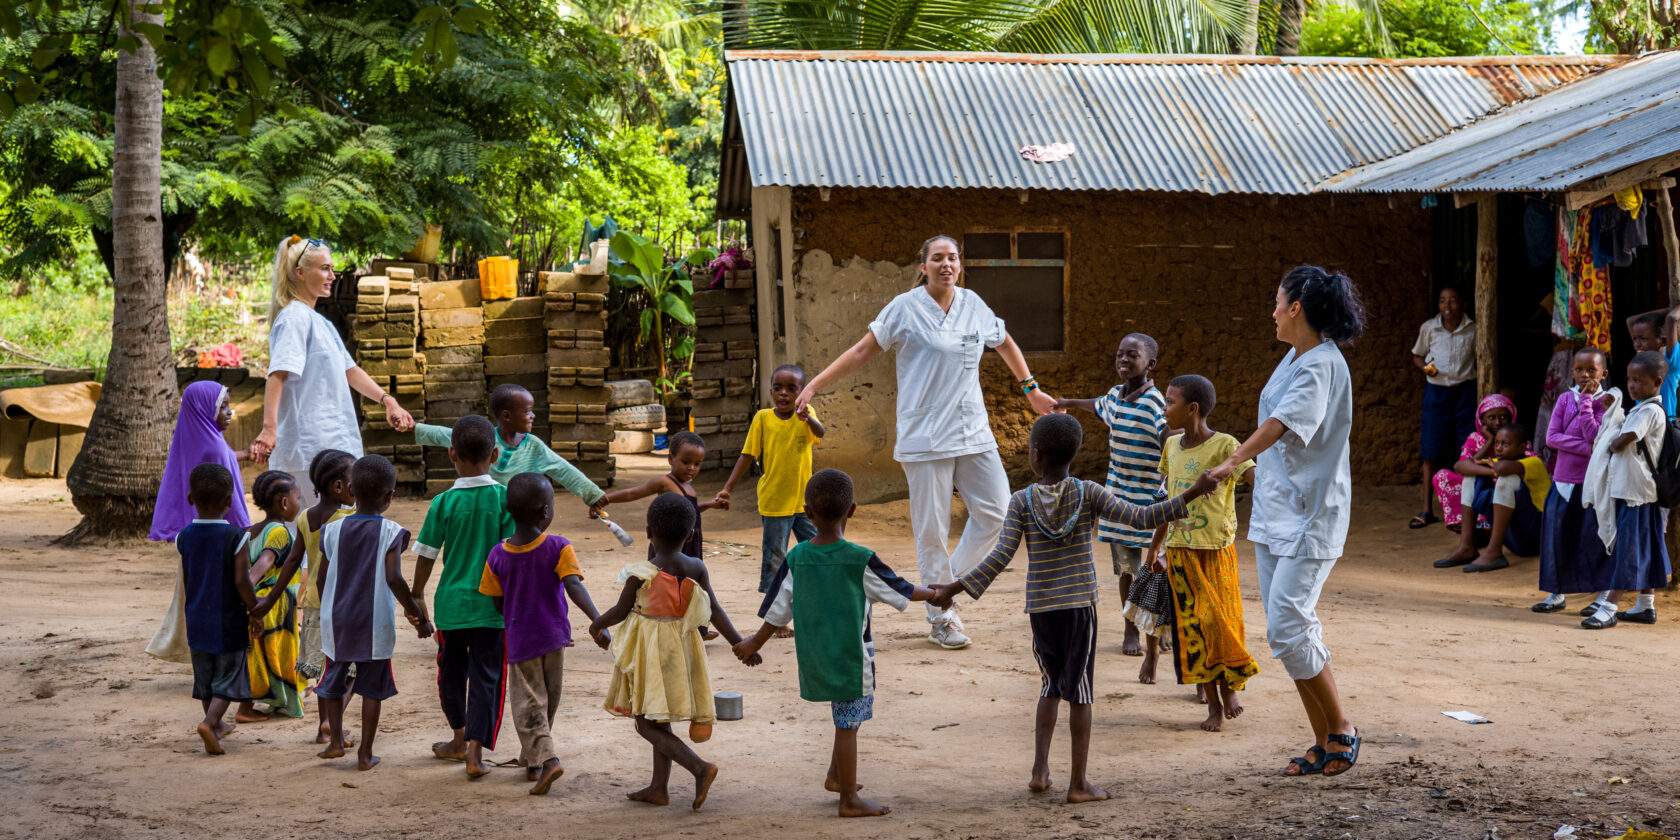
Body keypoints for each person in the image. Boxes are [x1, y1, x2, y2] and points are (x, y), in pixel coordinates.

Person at [928, 414, 1214, 802]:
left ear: (1035, 456)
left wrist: (954, 588)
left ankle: (1040, 770)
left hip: (1042, 610)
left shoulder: (1021, 501)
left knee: (1050, 684)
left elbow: (998, 558)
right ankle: (1078, 783)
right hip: (1079, 607)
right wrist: (1192, 493)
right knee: (1079, 690)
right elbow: (1142, 517)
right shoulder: (1089, 492)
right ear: (1073, 455)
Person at [795, 235, 1058, 651]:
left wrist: (1031, 389)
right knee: (932, 530)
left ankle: (944, 591)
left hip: (972, 429)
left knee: (998, 511)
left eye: (953, 258)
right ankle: (941, 618)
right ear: (924, 266)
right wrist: (814, 385)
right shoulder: (905, 308)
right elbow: (864, 350)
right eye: (937, 259)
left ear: (960, 264)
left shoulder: (973, 304)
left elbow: (1003, 341)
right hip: (925, 435)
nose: (946, 264)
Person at [1205, 265, 1364, 778]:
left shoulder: (1321, 365)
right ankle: (1321, 739)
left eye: (1277, 301)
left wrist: (1232, 461)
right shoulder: (1295, 357)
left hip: (1313, 513)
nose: (1272, 310)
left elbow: (1279, 424)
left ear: (1296, 308)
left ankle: (1342, 727)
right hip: (1279, 510)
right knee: (1284, 629)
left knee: (1291, 622)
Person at [735, 469, 936, 818]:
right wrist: (937, 594)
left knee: (848, 718)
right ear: (853, 510)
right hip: (851, 657)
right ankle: (848, 800)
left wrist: (754, 642)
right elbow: (901, 590)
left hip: (816, 656)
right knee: (847, 724)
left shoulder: (797, 558)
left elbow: (777, 611)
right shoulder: (860, 558)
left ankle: (834, 777)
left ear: (807, 513)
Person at [589, 493, 759, 811]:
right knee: (658, 716)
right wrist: (740, 644)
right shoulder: (696, 567)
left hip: (651, 653)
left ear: (648, 532)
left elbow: (621, 611)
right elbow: (715, 610)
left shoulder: (641, 573)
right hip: (682, 649)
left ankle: (699, 767)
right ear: (691, 534)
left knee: (646, 723)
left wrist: (596, 624)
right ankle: (658, 787)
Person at [250, 235, 413, 504]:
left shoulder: (321, 323)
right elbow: (277, 375)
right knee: (311, 533)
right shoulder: (294, 319)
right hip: (307, 453)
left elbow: (351, 371)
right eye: (324, 268)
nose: (332, 276)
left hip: (334, 447)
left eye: (332, 269)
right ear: (300, 273)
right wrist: (269, 429)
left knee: (334, 533)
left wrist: (388, 401)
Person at [478, 473, 609, 796]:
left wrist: (513, 616)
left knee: (528, 704)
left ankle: (545, 759)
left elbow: (497, 602)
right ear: (545, 512)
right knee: (546, 699)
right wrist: (598, 621)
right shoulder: (559, 546)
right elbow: (574, 586)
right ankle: (536, 760)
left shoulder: (497, 555)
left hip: (522, 639)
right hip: (554, 637)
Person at [1147, 375, 1259, 732]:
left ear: (1191, 409)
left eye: (1169, 402)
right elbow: (1169, 503)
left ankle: (1230, 690)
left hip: (1217, 551)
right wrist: (1156, 545)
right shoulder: (1171, 446)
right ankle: (1212, 703)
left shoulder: (1226, 445)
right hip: (1180, 552)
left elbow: (1258, 480)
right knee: (1193, 629)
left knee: (1222, 623)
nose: (1164, 409)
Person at [1053, 333, 1169, 660]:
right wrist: (1068, 404)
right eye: (1120, 354)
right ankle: (1131, 627)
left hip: (1151, 503)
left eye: (1132, 355)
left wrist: (1166, 484)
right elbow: (1098, 406)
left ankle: (1156, 625)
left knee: (1156, 566)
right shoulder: (1116, 396)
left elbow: (1168, 441)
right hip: (1118, 501)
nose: (1124, 360)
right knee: (1126, 569)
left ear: (1150, 364)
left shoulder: (1154, 404)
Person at [314, 454, 433, 771]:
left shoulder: (332, 530)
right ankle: (365, 754)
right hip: (374, 623)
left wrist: (328, 607)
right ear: (390, 496)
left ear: (350, 488)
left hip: (336, 619)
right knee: (371, 689)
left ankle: (336, 742)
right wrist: (415, 613)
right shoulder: (391, 531)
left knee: (332, 681)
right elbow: (393, 577)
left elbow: (322, 577)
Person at [412, 415, 515, 778]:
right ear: (497, 453)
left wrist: (417, 596)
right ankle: (474, 753)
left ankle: (457, 737)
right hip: (493, 607)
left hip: (451, 606)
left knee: (451, 673)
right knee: (488, 676)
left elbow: (426, 553)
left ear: (451, 454)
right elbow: (512, 552)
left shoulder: (442, 502)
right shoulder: (505, 499)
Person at [257, 449, 355, 744]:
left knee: (323, 671)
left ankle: (325, 723)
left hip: (313, 605)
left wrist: (270, 599)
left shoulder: (305, 517)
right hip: (343, 607)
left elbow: (291, 562)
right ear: (338, 486)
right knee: (352, 672)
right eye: (356, 481)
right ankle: (333, 725)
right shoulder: (347, 519)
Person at [717, 364, 825, 611]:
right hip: (775, 503)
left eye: (791, 389)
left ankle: (818, 597)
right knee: (775, 560)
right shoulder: (763, 418)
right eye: (778, 388)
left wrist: (807, 416)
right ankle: (775, 614)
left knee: (820, 547)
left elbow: (821, 432)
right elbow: (747, 455)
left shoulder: (807, 416)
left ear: (803, 392)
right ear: (771, 391)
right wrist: (728, 488)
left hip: (804, 504)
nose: (784, 394)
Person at [1582, 352, 1673, 630]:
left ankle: (1609, 606)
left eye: (1638, 380)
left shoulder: (1648, 411)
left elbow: (1627, 438)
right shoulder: (1641, 407)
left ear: (1657, 382)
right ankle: (1646, 606)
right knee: (1648, 546)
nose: (1631, 385)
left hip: (1637, 494)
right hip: (1637, 492)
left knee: (1628, 551)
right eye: (1629, 379)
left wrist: (1611, 442)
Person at [175, 462, 261, 756]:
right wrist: (255, 607)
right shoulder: (237, 537)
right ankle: (210, 723)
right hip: (229, 619)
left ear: (190, 498)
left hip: (196, 619)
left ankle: (218, 724)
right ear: (229, 500)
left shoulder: (183, 537)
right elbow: (241, 580)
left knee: (207, 677)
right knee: (229, 675)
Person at [413, 383, 606, 506]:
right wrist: (413, 427)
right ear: (507, 416)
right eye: (528, 411)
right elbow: (445, 435)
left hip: (519, 518)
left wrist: (593, 495)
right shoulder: (484, 436)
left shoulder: (534, 447)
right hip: (486, 511)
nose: (533, 415)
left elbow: (564, 470)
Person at [1535, 349, 1616, 613]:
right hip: (1563, 482)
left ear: (1603, 373)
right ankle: (1556, 594)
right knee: (1557, 538)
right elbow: (1551, 438)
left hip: (1593, 484)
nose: (1584, 375)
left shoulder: (1609, 403)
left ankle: (1603, 595)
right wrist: (1586, 447)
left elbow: (1595, 436)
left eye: (1591, 370)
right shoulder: (1563, 400)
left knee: (1595, 539)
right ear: (1572, 372)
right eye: (1579, 370)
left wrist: (1586, 402)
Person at [1434, 424, 1551, 573]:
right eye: (1496, 443)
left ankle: (1494, 551)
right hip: (1514, 537)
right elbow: (1460, 466)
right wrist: (1489, 469)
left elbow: (1502, 469)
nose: (1499, 448)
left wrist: (1489, 467)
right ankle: (1467, 546)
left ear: (1522, 448)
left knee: (1507, 479)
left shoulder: (1534, 462)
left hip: (1536, 537)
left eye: (1505, 444)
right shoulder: (1497, 462)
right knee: (1470, 478)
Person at [240, 470, 305, 722]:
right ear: (285, 502)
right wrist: (255, 594)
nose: (300, 504)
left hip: (257, 604)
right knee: (280, 652)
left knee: (257, 657)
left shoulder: (250, 530)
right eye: (298, 498)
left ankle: (267, 702)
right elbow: (263, 564)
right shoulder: (278, 531)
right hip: (272, 606)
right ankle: (248, 709)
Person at [151, 381, 251, 543]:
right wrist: (243, 524)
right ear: (203, 409)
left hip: (194, 528)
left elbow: (226, 456)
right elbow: (222, 459)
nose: (229, 413)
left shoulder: (191, 435)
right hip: (218, 529)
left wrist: (246, 454)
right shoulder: (215, 444)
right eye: (223, 407)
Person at [1411, 287, 1477, 529]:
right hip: (1436, 394)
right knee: (1430, 452)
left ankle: (1466, 509)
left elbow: (1483, 357)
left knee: (1467, 450)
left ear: (1464, 303)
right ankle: (1427, 510)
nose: (1447, 306)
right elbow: (1418, 355)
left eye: (1453, 301)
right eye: (1442, 301)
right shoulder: (1430, 328)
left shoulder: (1474, 329)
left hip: (1465, 392)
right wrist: (1427, 368)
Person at [1431, 395, 1526, 535]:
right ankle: (1467, 523)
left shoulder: (1517, 438)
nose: (1498, 422)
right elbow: (1464, 464)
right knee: (1442, 476)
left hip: (1503, 484)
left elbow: (1524, 463)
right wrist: (1489, 442)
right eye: (1491, 418)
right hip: (1481, 480)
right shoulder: (1475, 438)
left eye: (1503, 417)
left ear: (1510, 418)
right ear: (1482, 420)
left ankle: (1487, 523)